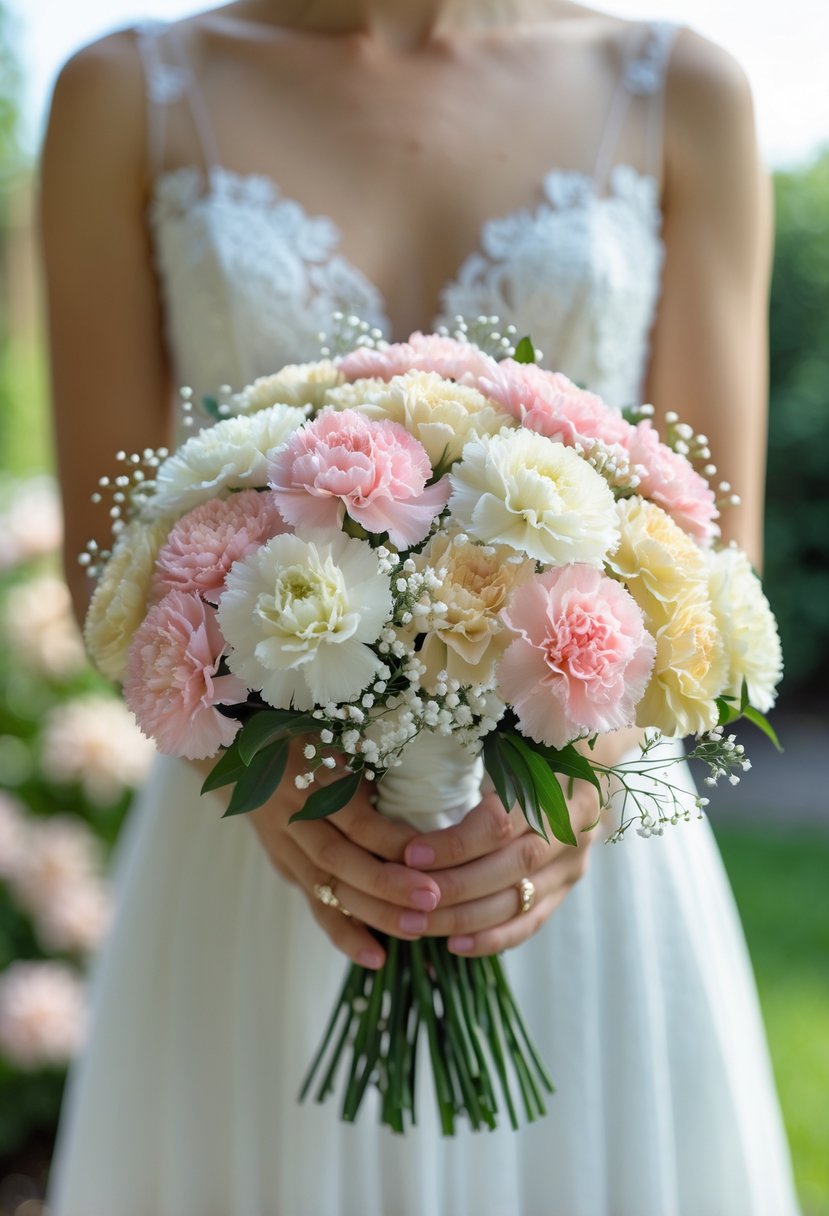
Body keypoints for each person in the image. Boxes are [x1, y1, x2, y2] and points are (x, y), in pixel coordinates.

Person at [40, 2, 800, 1213]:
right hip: (257, 835)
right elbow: (107, 563)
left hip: (570, 843)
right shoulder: (125, 91)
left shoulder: (676, 89)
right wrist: (274, 779)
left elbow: (717, 542)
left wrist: (590, 772)